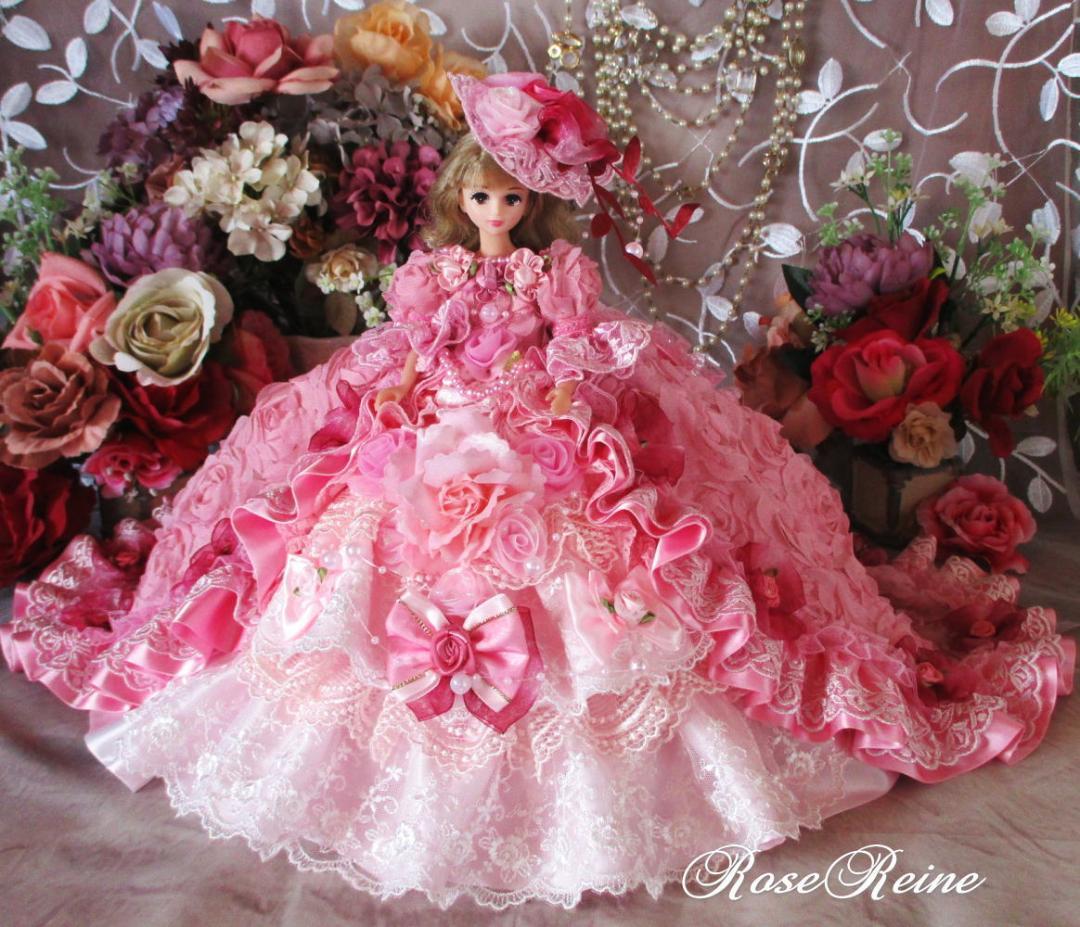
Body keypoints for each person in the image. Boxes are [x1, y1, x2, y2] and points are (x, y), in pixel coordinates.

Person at [1, 72, 1073, 910]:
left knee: (617, 548)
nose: (495, 210)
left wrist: (568, 382)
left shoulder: (550, 273)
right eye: (482, 196)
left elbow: (573, 335)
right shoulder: (438, 272)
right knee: (358, 528)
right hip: (441, 414)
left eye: (510, 197)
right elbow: (416, 339)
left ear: (533, 201)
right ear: (460, 198)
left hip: (545, 420)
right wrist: (410, 387)